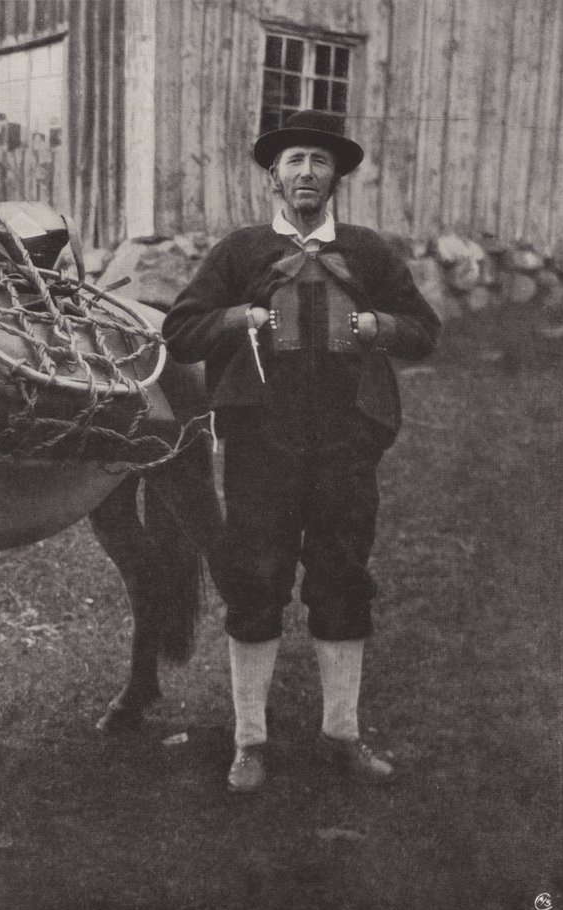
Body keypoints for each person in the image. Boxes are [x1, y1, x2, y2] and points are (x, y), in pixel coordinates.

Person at [162, 111, 440, 794]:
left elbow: (425, 331)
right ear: (272, 178)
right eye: (294, 162)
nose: (307, 173)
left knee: (342, 575)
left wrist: (379, 325)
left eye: (319, 160)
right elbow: (180, 329)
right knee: (256, 578)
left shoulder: (368, 250)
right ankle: (249, 741)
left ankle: (342, 735)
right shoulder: (240, 250)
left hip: (348, 440)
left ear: (335, 175)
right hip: (262, 441)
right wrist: (239, 318)